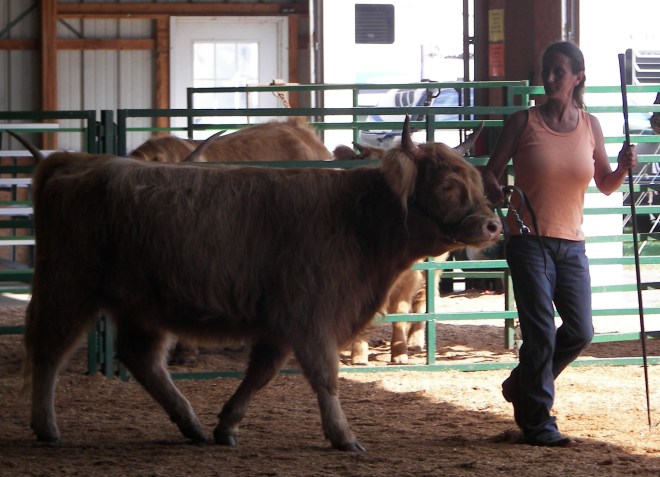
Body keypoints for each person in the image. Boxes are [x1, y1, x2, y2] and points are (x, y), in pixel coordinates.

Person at [482, 41, 637, 447]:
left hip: (571, 244)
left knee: (581, 330)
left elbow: (606, 184)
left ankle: (522, 383)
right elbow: (490, 172)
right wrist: (495, 190)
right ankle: (538, 421)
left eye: (558, 71)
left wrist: (623, 168)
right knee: (540, 333)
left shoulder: (591, 125)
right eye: (546, 70)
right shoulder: (522, 121)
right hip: (527, 240)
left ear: (578, 77)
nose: (549, 78)